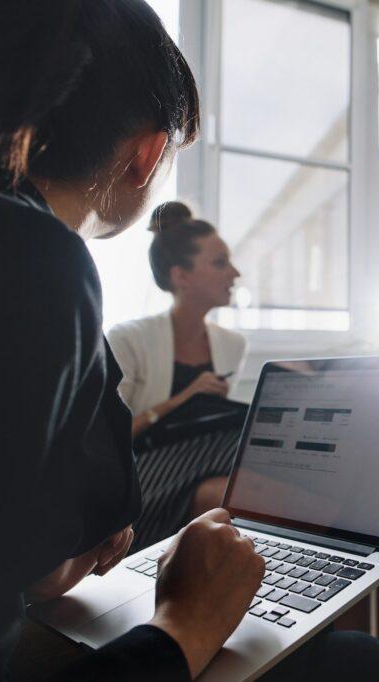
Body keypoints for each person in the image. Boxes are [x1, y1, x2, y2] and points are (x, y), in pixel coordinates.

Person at [0, 2, 379, 680]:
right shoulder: (33, 263)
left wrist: (40, 564)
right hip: (134, 521)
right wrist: (183, 622)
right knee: (361, 665)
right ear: (148, 155)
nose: (232, 272)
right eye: (217, 262)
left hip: (62, 576)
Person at [108, 202, 246, 549]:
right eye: (220, 263)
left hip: (201, 462)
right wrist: (186, 398)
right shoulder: (128, 339)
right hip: (139, 472)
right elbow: (110, 439)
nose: (235, 273)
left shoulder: (232, 345)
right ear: (181, 276)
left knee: (237, 474)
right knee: (242, 473)